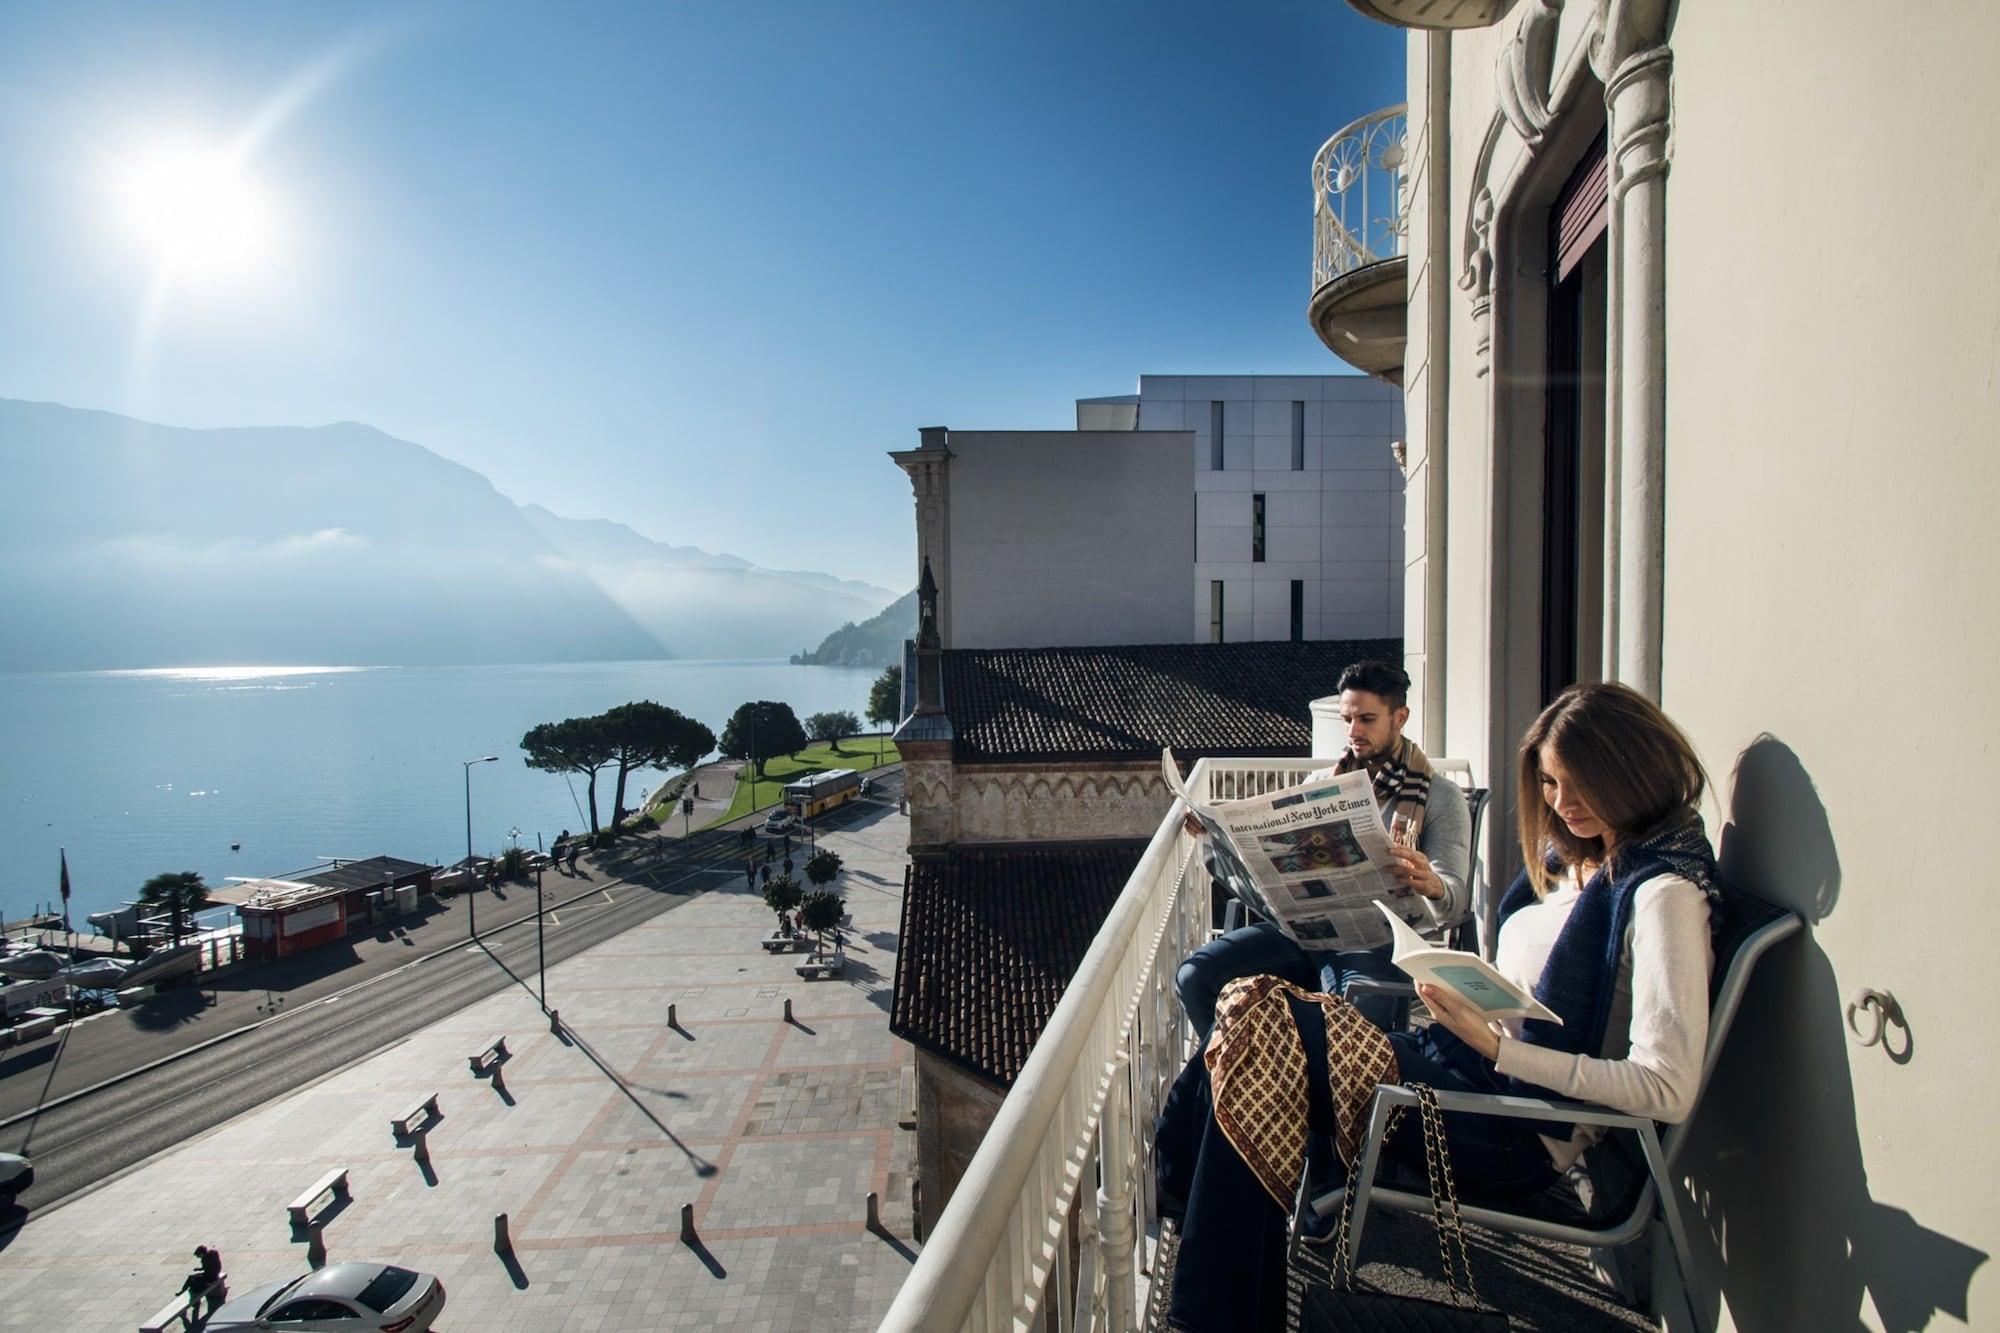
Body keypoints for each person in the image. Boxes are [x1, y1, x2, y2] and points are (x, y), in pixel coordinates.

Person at [1158, 682, 1722, 1332]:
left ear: (1629, 770)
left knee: (1255, 1024)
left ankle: (1187, 1220)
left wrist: (1499, 1048)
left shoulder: (1664, 894)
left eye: (1577, 783)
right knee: (1249, 1011)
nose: (1562, 805)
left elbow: (1667, 1087)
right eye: (1549, 784)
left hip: (1502, 1127)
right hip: (1448, 1068)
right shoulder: (1591, 864)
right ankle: (1211, 1299)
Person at [1175, 661, 1472, 1034]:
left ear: (1400, 717)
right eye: (1347, 719)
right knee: (1195, 976)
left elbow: (1457, 899)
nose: (1353, 731)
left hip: (1379, 942)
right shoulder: (1319, 784)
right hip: (1303, 935)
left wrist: (1433, 884)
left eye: (1366, 719)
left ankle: (1330, 1089)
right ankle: (1231, 1082)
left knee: (1352, 1017)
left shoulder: (1440, 797)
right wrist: (1216, 835)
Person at [180, 1244, 224, 1314]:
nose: (199, 1257)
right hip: (215, 1273)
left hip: (210, 1277)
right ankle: (184, 1290)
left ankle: (183, 1290)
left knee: (191, 1278)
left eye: (198, 1256)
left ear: (201, 1253)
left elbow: (207, 1270)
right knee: (194, 1277)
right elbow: (208, 1267)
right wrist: (199, 1269)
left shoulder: (205, 1259)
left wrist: (200, 1273)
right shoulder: (213, 1254)